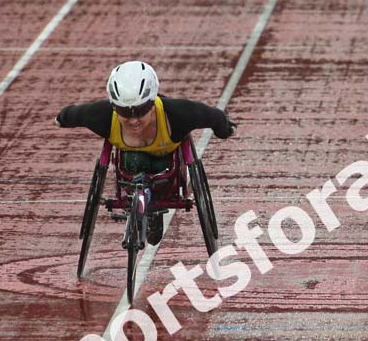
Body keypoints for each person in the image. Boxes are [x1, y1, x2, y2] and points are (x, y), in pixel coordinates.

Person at [55, 61, 236, 245]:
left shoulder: (177, 114)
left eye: (140, 111)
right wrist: (62, 119)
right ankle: (142, 205)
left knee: (158, 165)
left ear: (151, 103)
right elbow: (76, 114)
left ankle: (151, 210)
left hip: (165, 169)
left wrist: (224, 128)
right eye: (124, 112)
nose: (133, 120)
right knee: (133, 160)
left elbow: (213, 116)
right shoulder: (103, 116)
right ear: (115, 107)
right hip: (131, 167)